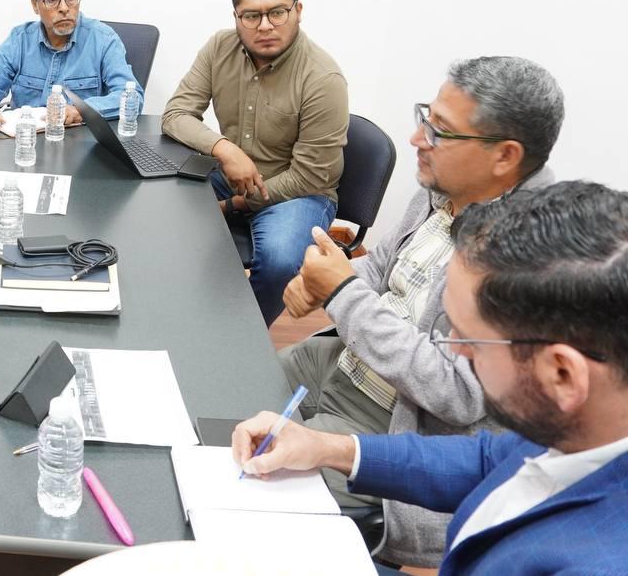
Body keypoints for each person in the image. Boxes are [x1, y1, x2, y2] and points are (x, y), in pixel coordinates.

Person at [234, 181, 628, 575]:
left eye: (469, 337)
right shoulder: (576, 430)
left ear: (562, 374)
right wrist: (327, 448)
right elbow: (487, 459)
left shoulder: (594, 564)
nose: (454, 350)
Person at [277, 56, 563, 567]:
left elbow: (457, 394)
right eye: (425, 118)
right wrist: (323, 284)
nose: (417, 139)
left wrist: (341, 292)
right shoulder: (445, 188)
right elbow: (381, 266)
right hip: (346, 365)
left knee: (259, 491)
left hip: (399, 426)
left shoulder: (529, 255)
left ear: (505, 155)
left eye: (440, 131)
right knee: (222, 396)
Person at [162, 0, 348, 326]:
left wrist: (232, 205)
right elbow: (176, 114)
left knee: (279, 260)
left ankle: (239, 337)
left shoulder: (323, 78)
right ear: (236, 16)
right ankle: (176, 311)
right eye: (251, 16)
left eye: (277, 12)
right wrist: (225, 149)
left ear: (298, 10)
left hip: (300, 192)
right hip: (230, 175)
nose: (264, 26)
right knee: (155, 203)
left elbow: (309, 176)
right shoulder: (219, 47)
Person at [0, 0, 141, 125]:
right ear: (35, 5)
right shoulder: (20, 39)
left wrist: (81, 111)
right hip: (26, 139)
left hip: (79, 142)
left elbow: (132, 97)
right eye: (52, 0)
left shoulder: (103, 39)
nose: (64, 8)